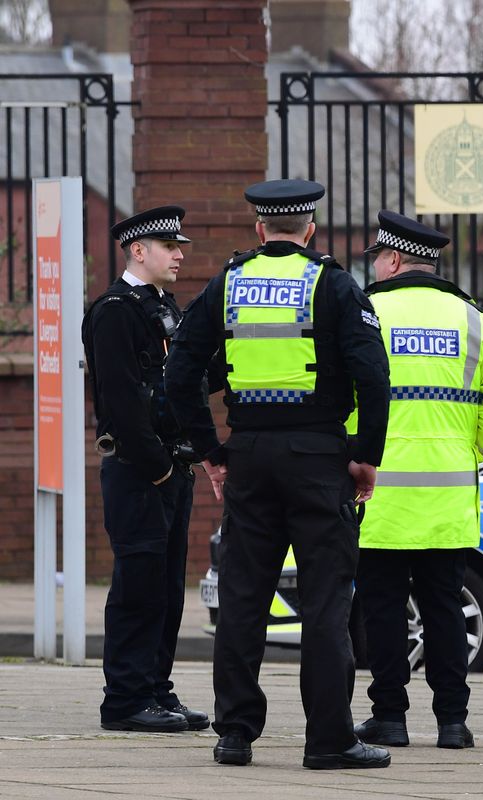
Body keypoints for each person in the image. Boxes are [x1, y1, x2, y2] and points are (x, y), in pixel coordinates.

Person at [163, 180, 392, 769]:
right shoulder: (335, 284)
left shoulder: (228, 284)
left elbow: (181, 370)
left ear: (260, 230)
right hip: (319, 459)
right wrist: (366, 456)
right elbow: (373, 376)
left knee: (242, 598)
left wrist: (211, 451)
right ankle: (330, 740)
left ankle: (234, 733)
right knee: (325, 602)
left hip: (251, 456)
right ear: (309, 230)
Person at [350, 210, 483, 751]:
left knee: (381, 609)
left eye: (377, 259)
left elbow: (343, 397)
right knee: (444, 606)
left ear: (395, 259)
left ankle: (390, 719)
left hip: (379, 496)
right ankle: (452, 721)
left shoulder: (368, 313)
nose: (373, 268)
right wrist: (473, 445)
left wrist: (356, 449)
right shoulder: (474, 321)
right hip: (448, 496)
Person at [82, 206, 209, 733]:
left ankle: (157, 689)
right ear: (139, 250)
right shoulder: (115, 310)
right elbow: (121, 400)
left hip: (170, 467)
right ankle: (126, 700)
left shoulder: (163, 307)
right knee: (138, 585)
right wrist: (158, 468)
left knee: (165, 586)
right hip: (140, 470)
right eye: (169, 246)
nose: (180, 254)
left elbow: (180, 384)